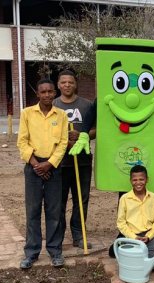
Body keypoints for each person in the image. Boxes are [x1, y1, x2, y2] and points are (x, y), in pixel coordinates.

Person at [17, 78, 68, 269]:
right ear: (37, 94)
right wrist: (37, 165)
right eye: (43, 92)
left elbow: (63, 143)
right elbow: (22, 141)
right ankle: (31, 252)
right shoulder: (27, 114)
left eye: (50, 91)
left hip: (53, 168)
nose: (47, 95)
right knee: (33, 211)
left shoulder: (61, 115)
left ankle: (55, 251)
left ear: (54, 93)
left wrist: (49, 164)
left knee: (54, 211)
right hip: (33, 166)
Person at [53, 70, 95, 250]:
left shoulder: (87, 105)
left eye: (70, 82)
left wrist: (83, 135)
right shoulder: (53, 105)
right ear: (58, 84)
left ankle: (78, 235)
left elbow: (96, 130)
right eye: (63, 82)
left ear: (75, 84)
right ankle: (58, 237)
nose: (67, 85)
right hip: (59, 162)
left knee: (81, 199)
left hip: (82, 161)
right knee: (59, 200)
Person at [110, 165, 154, 268]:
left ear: (147, 180)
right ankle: (143, 252)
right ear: (130, 181)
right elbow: (121, 223)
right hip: (132, 236)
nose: (138, 183)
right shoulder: (124, 199)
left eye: (141, 179)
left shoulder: (153, 197)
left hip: (149, 235)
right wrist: (134, 237)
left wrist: (149, 236)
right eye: (135, 180)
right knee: (128, 262)